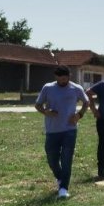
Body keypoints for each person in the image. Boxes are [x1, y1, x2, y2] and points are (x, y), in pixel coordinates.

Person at [35, 66, 89, 199]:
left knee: (66, 159)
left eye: (66, 78)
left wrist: (79, 115)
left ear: (69, 76)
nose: (63, 81)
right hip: (52, 130)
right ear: (56, 77)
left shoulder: (76, 88)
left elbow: (86, 102)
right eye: (61, 78)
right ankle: (60, 178)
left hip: (69, 130)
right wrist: (46, 112)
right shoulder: (48, 88)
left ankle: (64, 188)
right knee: (52, 159)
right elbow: (38, 105)